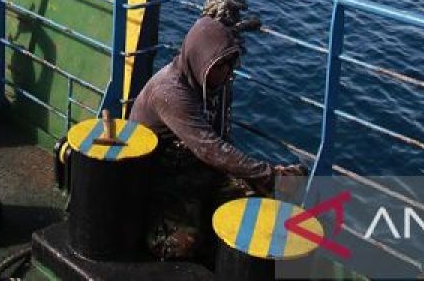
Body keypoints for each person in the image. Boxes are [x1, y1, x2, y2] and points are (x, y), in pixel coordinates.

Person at [129, 16, 302, 259]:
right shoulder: (170, 93)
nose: (227, 74)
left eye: (230, 66)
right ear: (200, 60)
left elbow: (215, 145)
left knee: (250, 201)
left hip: (190, 166)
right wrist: (269, 174)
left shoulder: (205, 85)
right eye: (220, 66)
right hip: (157, 176)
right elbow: (210, 149)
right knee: (183, 244)